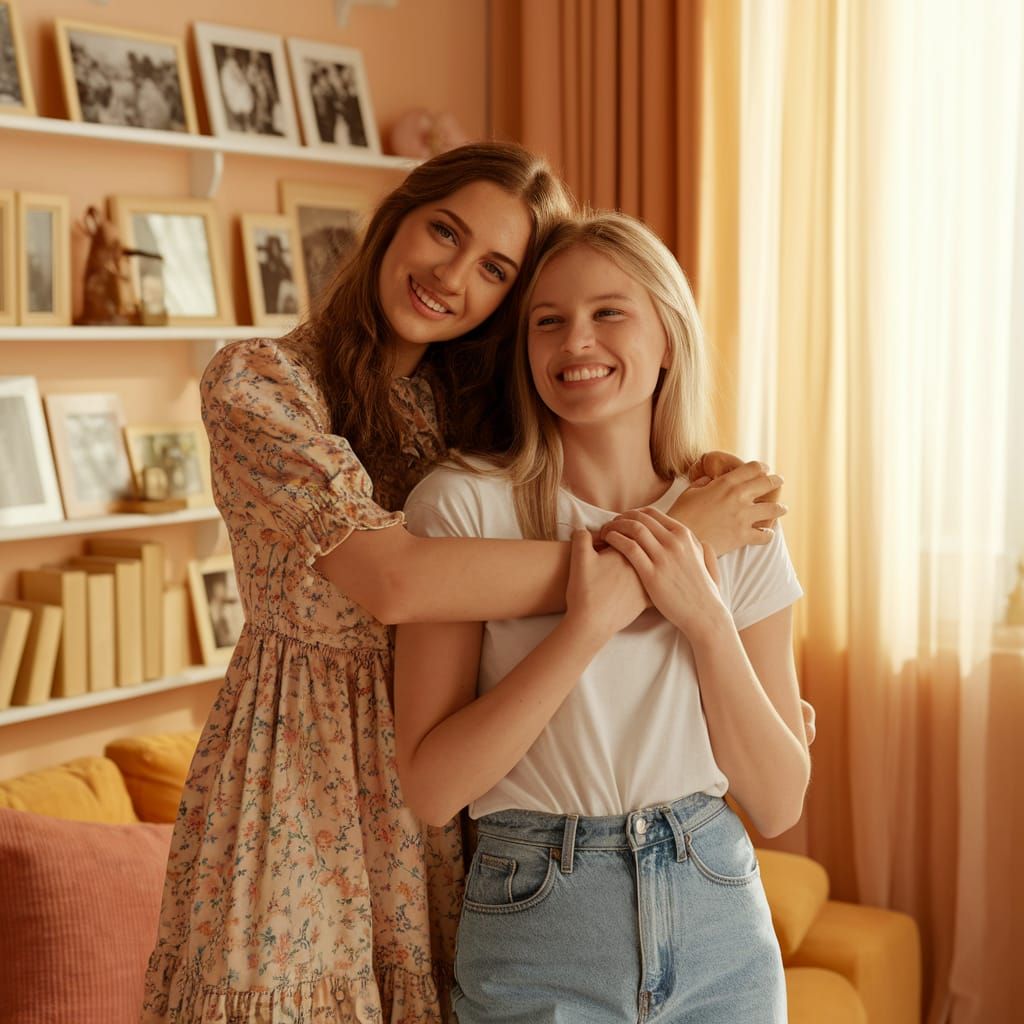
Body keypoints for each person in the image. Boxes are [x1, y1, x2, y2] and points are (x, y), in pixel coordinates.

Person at [140, 143, 787, 1024]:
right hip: (305, 764)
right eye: (444, 231)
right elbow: (397, 582)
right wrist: (672, 550)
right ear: (396, 216)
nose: (452, 276)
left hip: (461, 800)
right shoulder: (262, 383)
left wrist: (687, 501)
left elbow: (596, 439)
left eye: (494, 269)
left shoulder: (469, 404)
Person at [395, 210, 810, 1023]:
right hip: (539, 917)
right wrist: (584, 628)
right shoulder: (465, 506)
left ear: (669, 336)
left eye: (608, 312)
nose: (575, 341)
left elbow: (779, 800)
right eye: (548, 321)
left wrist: (706, 621)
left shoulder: (735, 516)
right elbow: (434, 788)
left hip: (719, 914)